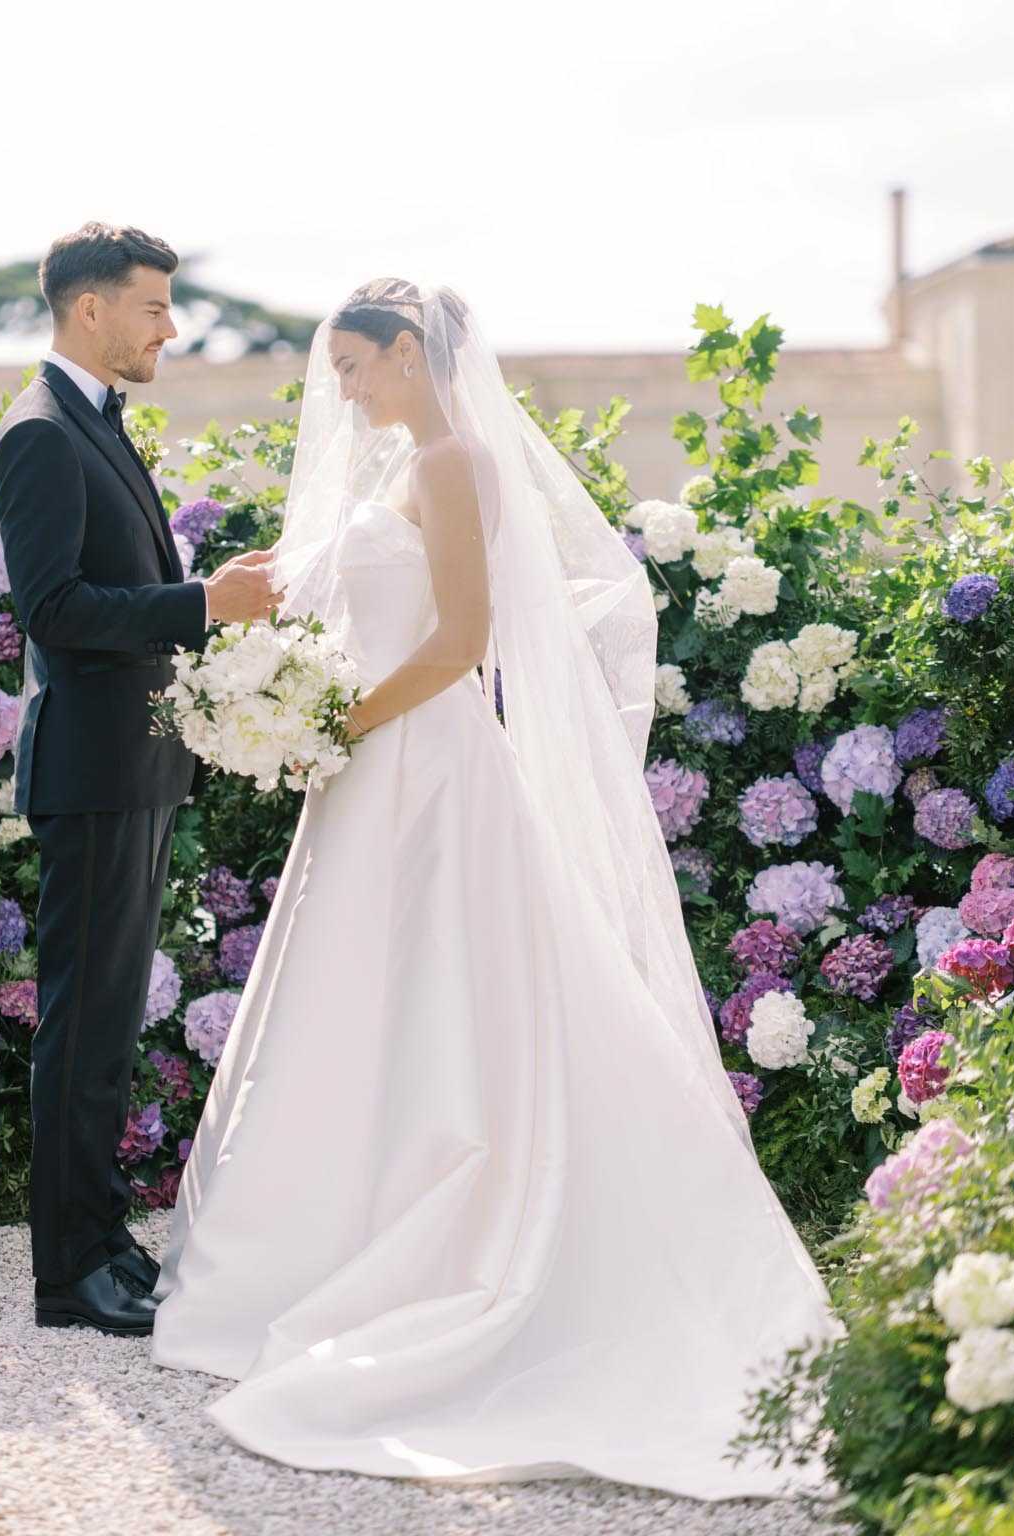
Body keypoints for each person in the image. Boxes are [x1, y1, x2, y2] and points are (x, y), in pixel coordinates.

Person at [147, 279, 842, 1498]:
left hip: (424, 764)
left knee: (444, 990)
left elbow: (462, 637)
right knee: (367, 994)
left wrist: (331, 722)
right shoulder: (407, 465)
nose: (345, 390)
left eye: (356, 366)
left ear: (410, 354)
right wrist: (293, 705)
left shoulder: (455, 461)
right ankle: (335, 1238)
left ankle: (455, 1238)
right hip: (374, 764)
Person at [0, 222, 278, 1336]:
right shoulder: (41, 436)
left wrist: (210, 601)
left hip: (133, 764)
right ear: (90, 310)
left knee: (108, 1026)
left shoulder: (89, 423)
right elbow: (52, 613)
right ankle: (69, 1277)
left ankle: (104, 1242)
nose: (170, 326)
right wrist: (205, 604)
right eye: (153, 306)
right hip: (94, 771)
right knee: (82, 1027)